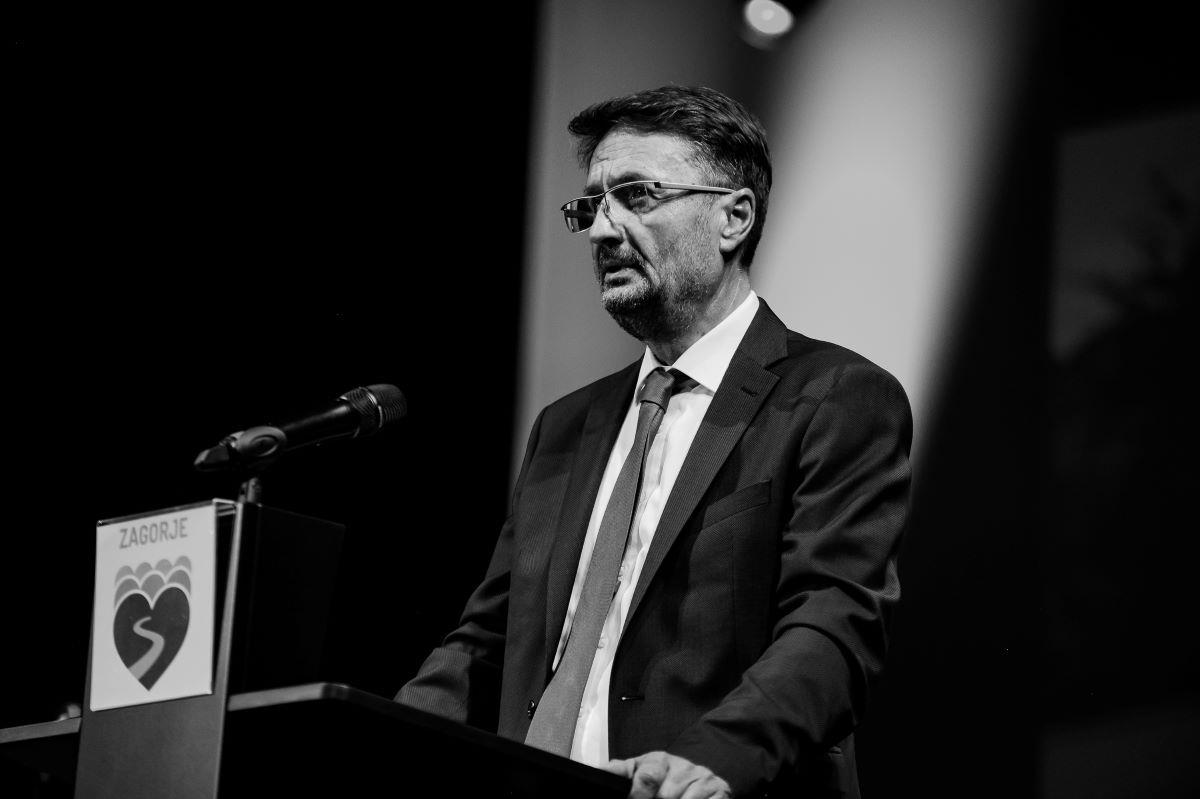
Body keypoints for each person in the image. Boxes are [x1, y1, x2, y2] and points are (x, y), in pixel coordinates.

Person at [397, 85, 912, 799]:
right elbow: (487, 646)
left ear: (733, 217)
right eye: (592, 205)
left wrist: (716, 759)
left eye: (636, 196)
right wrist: (371, 743)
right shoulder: (565, 426)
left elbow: (833, 622)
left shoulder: (834, 397)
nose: (602, 231)